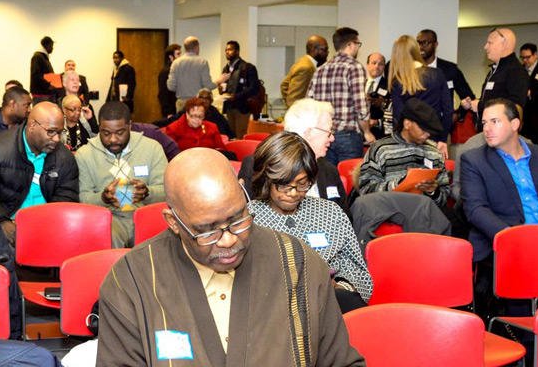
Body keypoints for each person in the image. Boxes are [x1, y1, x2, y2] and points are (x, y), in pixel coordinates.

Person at [96, 148, 364, 366]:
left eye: (238, 219)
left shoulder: (299, 263)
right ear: (174, 222)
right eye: (206, 230)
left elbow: (341, 361)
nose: (228, 239)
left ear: (243, 192)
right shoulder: (133, 280)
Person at [245, 131, 371, 312]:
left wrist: (342, 289)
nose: (294, 193)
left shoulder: (330, 212)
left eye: (302, 184)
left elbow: (357, 269)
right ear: (266, 179)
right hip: (272, 311)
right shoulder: (249, 218)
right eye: (284, 185)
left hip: (332, 305)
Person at [460, 98, 538, 320]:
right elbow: (476, 209)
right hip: (509, 242)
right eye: (484, 122)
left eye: (494, 121)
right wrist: (514, 238)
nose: (486, 128)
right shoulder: (475, 160)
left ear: (515, 124)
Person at [0, 102, 79, 243]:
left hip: (48, 225)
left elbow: (67, 196)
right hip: (5, 223)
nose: (56, 139)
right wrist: (2, 221)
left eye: (60, 132)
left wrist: (47, 223)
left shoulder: (64, 157)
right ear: (32, 126)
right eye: (51, 132)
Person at [77, 101, 168, 248]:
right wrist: (102, 198)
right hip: (111, 218)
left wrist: (148, 193)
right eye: (105, 133)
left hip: (146, 215)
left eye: (120, 133)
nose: (113, 139)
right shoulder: (85, 155)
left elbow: (167, 191)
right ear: (99, 128)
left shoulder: (152, 148)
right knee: (107, 237)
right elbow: (83, 198)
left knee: (161, 241)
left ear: (130, 126)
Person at [238, 98, 348, 212]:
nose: (332, 138)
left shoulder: (330, 171)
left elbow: (344, 218)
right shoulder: (258, 165)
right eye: (329, 132)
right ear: (309, 133)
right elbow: (247, 215)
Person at [358, 99, 450, 207]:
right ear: (407, 124)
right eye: (423, 129)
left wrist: (433, 192)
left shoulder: (434, 153)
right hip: (387, 212)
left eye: (429, 130)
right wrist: (398, 185)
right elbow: (365, 191)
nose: (427, 134)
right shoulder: (381, 149)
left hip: (423, 214)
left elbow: (445, 199)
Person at [307, 27, 374, 165]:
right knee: (349, 182)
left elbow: (309, 103)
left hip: (324, 135)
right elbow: (360, 105)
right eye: (358, 44)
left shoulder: (320, 69)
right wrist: (367, 132)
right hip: (348, 135)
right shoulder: (354, 67)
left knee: (328, 180)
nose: (358, 48)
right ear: (351, 44)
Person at [388, 35, 452, 159]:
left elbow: (398, 118)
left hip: (409, 142)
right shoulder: (437, 74)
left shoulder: (398, 82)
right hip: (434, 139)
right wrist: (443, 139)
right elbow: (448, 110)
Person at [417, 29, 477, 140]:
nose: (421, 47)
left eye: (425, 43)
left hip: (442, 129)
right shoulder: (412, 69)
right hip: (416, 129)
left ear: (435, 45)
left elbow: (468, 95)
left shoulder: (450, 69)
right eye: (418, 43)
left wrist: (457, 115)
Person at [477, 27, 528, 130]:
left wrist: (480, 105)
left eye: (490, 43)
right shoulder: (496, 70)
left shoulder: (516, 71)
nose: (485, 47)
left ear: (504, 45)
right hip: (489, 132)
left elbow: (514, 109)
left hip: (501, 135)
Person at [167, 36, 227, 113]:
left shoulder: (175, 63)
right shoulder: (202, 62)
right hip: (198, 103)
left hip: (181, 103)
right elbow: (207, 86)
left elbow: (171, 87)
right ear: (197, 47)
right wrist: (218, 81)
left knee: (182, 124)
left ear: (185, 48)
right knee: (196, 122)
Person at [219, 41, 260, 138]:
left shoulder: (248, 67)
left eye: (230, 49)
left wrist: (236, 96)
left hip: (242, 107)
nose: (227, 52)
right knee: (231, 135)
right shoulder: (226, 68)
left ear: (237, 52)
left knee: (241, 135)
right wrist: (222, 90)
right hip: (229, 106)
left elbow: (254, 88)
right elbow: (225, 85)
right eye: (226, 50)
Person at [281, 35, 329, 108]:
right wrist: (294, 108)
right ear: (314, 50)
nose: (327, 52)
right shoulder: (306, 68)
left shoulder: (302, 61)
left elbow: (284, 85)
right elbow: (294, 98)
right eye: (324, 49)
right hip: (300, 116)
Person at [364, 52, 391, 139]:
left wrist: (377, 122)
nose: (377, 66)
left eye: (381, 64)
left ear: (384, 67)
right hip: (360, 134)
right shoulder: (359, 84)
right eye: (374, 63)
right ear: (367, 65)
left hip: (380, 134)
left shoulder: (390, 86)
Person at [158, 44, 183, 118]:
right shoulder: (166, 72)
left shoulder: (179, 69)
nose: (181, 56)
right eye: (178, 54)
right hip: (171, 111)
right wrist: (168, 112)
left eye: (181, 53)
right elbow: (163, 93)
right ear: (171, 57)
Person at [30, 36, 56, 101]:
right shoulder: (38, 57)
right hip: (41, 94)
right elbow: (36, 75)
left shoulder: (43, 57)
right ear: (47, 45)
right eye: (51, 45)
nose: (52, 48)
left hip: (45, 93)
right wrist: (48, 85)